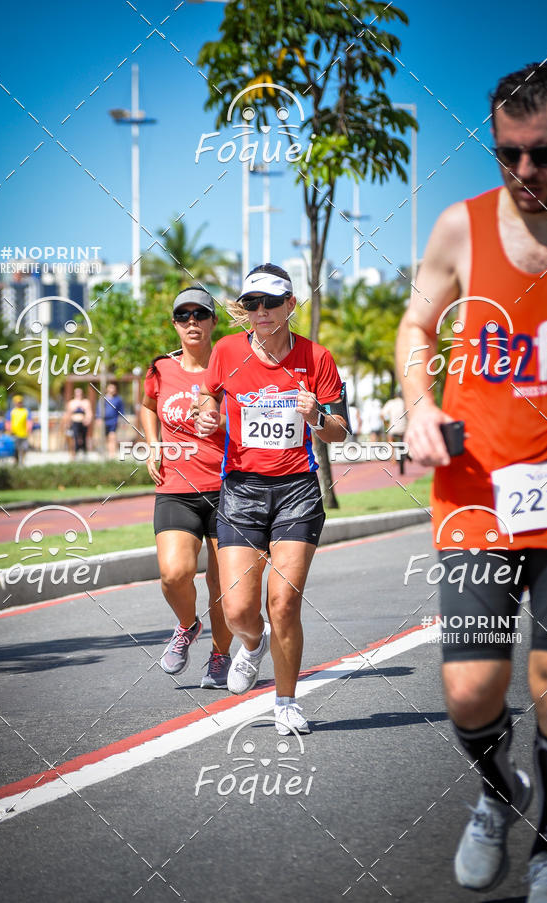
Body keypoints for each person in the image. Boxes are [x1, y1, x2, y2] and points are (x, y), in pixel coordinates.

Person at [396, 63, 547, 901]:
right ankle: (500, 791)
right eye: (508, 155)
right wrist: (419, 403)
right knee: (470, 689)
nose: (525, 172)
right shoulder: (460, 228)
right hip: (475, 492)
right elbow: (417, 324)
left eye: (544, 154)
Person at [197, 263, 348, 734]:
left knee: (283, 601)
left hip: (297, 491)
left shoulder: (316, 358)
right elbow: (211, 400)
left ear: (290, 305)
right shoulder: (225, 352)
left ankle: (285, 701)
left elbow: (340, 432)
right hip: (241, 490)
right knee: (238, 609)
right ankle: (253, 642)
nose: (260, 312)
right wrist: (208, 419)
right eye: (251, 304)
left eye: (270, 302)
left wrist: (317, 414)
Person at [140, 287, 233, 689]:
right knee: (173, 574)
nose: (192, 321)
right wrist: (152, 444)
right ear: (175, 324)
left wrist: (220, 422)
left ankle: (221, 655)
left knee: (223, 586)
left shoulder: (234, 368)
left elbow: (253, 417)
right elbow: (146, 407)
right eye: (183, 315)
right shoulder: (161, 369)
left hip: (230, 488)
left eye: (200, 314)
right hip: (175, 488)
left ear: (213, 322)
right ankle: (187, 625)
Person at [381, 391, 408, 474]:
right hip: (404, 429)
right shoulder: (407, 403)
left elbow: (382, 414)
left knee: (390, 439)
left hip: (393, 428)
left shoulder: (391, 403)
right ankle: (407, 453)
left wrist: (386, 423)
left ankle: (393, 457)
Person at [5, 394, 32, 465]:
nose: (19, 403)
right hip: (14, 434)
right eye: (18, 402)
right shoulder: (11, 412)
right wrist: (9, 430)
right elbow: (8, 422)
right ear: (15, 403)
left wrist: (29, 429)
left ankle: (22, 462)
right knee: (15, 449)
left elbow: (29, 421)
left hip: (24, 433)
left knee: (24, 448)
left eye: (20, 402)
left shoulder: (26, 411)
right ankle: (16, 462)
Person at [65, 387, 92, 458]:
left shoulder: (86, 402)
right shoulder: (71, 403)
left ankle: (84, 453)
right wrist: (68, 423)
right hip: (75, 423)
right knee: (75, 438)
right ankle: (75, 453)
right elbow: (68, 414)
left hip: (83, 423)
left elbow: (89, 413)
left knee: (84, 438)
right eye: (77, 393)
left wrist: (88, 419)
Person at [101, 382, 125, 458]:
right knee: (105, 437)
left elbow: (121, 411)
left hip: (113, 420)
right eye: (110, 387)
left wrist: (122, 421)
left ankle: (112, 454)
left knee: (112, 436)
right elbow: (99, 409)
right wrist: (98, 418)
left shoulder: (118, 399)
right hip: (104, 421)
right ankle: (106, 453)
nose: (112, 389)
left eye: (113, 388)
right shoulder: (103, 399)